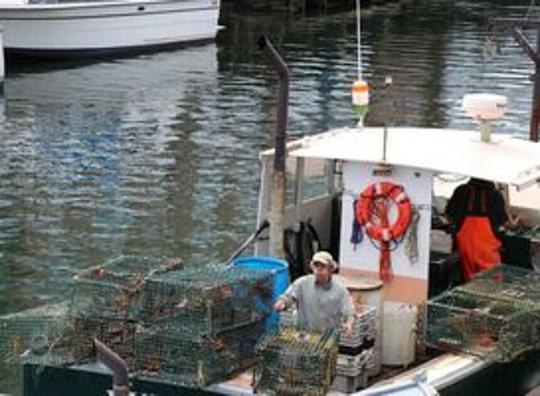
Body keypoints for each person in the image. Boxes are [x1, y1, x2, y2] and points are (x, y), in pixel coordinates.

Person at [445, 177, 521, 282]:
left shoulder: (461, 190)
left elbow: (449, 215)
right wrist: (516, 222)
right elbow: (504, 223)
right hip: (487, 247)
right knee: (492, 279)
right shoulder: (495, 195)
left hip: (465, 244)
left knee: (470, 279)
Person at [273, 251, 356, 335]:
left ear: (330, 269)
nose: (319, 270)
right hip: (303, 335)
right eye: (316, 266)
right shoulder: (302, 283)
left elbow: (349, 312)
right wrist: (282, 303)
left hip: (328, 338)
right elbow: (288, 297)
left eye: (323, 266)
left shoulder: (340, 290)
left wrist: (349, 324)